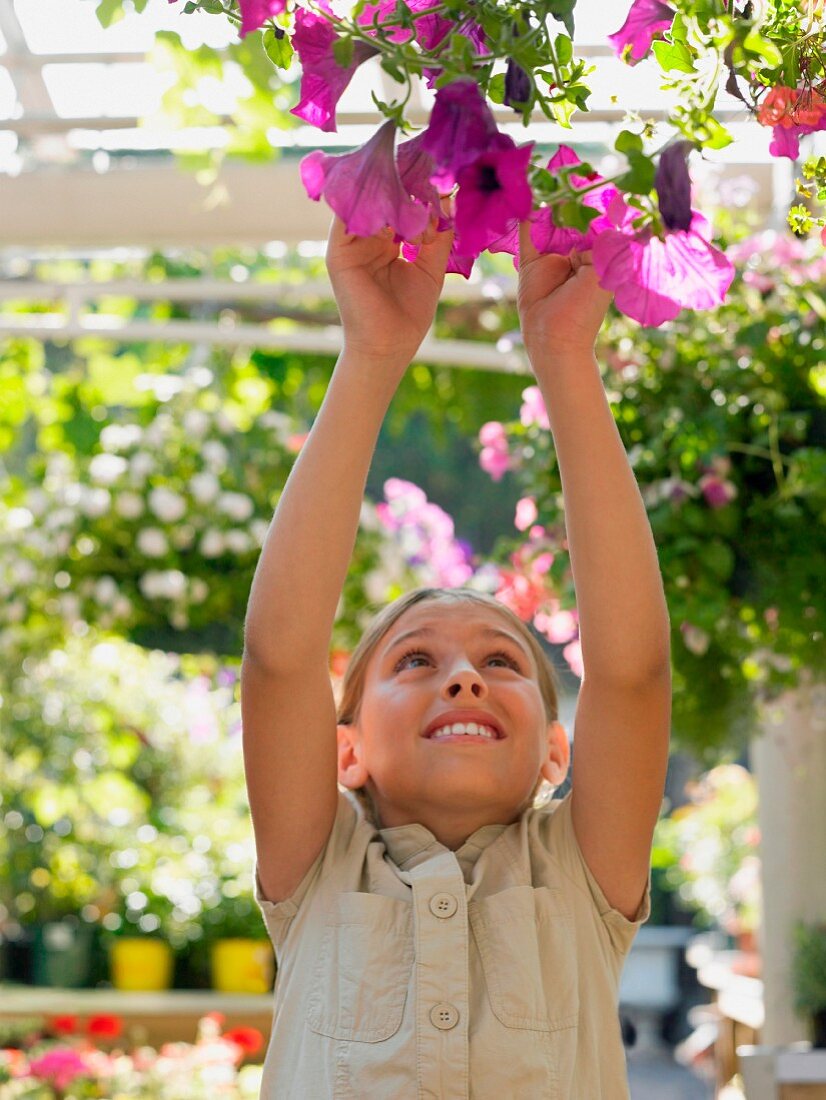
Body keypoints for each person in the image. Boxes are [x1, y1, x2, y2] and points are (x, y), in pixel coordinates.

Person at [241, 194, 672, 1099]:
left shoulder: (581, 873)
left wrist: (564, 358)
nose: (466, 679)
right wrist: (372, 354)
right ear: (344, 749)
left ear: (559, 752)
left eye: (504, 661)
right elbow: (279, 658)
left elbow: (632, 676)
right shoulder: (318, 868)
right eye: (415, 662)